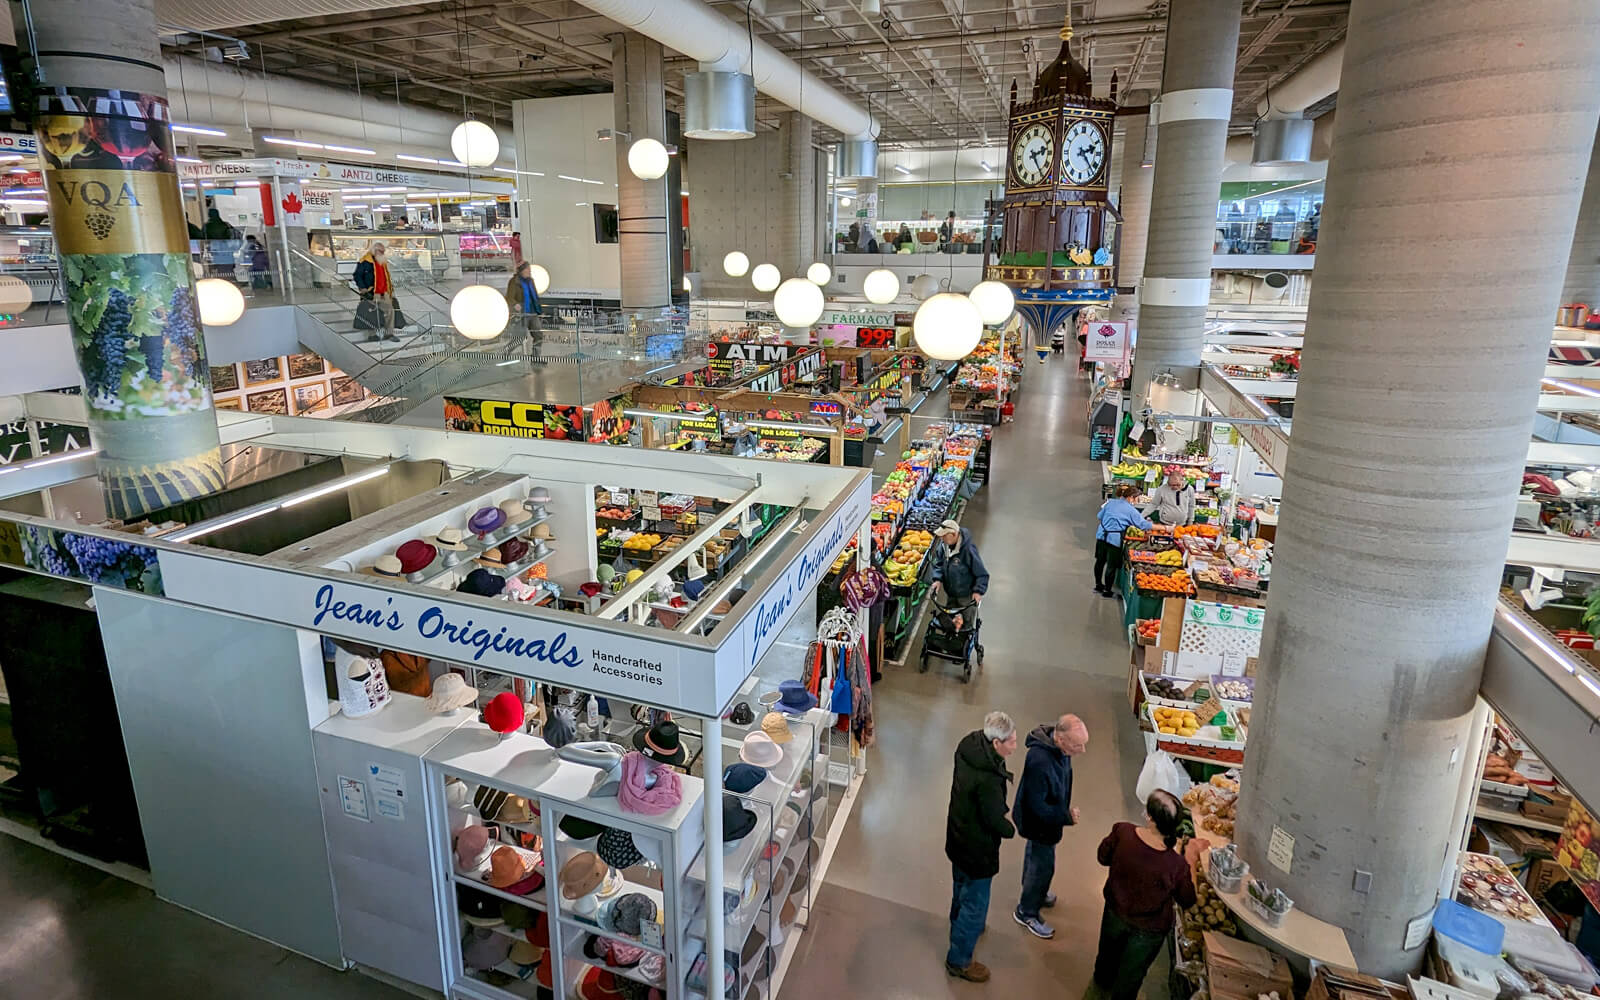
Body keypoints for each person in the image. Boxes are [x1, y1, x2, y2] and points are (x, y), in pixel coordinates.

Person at [1091, 791, 1203, 1000]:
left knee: (1106, 958)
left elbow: (1102, 857)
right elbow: (1188, 899)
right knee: (1130, 976)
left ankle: (1098, 988)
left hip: (1115, 912)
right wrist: (1191, 859)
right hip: (1149, 930)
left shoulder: (1122, 832)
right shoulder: (1175, 864)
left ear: (1150, 818)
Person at [944, 710, 1017, 983]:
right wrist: (1009, 829)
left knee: (959, 887)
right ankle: (959, 960)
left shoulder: (968, 747)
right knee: (975, 902)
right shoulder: (988, 778)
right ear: (996, 744)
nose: (1015, 745)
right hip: (978, 848)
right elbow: (994, 819)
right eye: (1011, 741)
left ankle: (957, 924)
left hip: (958, 835)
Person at [1012, 714, 1088, 939]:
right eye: (1077, 745)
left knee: (1034, 858)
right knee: (1042, 868)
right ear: (1061, 739)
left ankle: (1034, 892)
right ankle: (1027, 911)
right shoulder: (1040, 761)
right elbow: (1037, 806)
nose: (1081, 750)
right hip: (1039, 824)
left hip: (1045, 823)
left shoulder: (1059, 750)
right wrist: (1066, 816)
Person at [1095, 484, 1152, 597]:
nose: (1136, 502)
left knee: (1099, 561)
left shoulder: (1111, 502)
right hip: (1114, 539)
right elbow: (1143, 525)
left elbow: (1099, 516)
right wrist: (1164, 528)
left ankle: (1098, 585)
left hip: (1101, 535)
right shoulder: (1130, 510)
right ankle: (1107, 590)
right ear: (1131, 497)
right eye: (1137, 499)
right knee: (1111, 565)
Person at [929, 518, 989, 627]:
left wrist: (978, 591)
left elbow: (982, 574)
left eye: (944, 536)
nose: (942, 539)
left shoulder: (968, 550)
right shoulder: (943, 547)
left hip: (966, 597)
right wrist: (937, 579)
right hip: (951, 594)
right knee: (949, 623)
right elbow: (939, 564)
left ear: (953, 534)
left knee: (965, 624)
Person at [353, 242, 398, 342]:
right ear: (375, 250)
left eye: (383, 251)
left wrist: (391, 290)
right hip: (372, 292)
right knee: (371, 313)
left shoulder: (383, 262)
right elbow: (357, 275)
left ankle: (389, 333)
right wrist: (362, 288)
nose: (383, 253)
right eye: (381, 251)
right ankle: (372, 334)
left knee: (390, 311)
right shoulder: (365, 261)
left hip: (384, 292)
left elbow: (386, 278)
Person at [504, 261, 545, 364]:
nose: (529, 272)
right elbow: (509, 298)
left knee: (538, 335)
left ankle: (536, 358)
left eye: (529, 270)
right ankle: (506, 352)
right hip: (522, 314)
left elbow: (534, 296)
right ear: (521, 271)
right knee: (520, 337)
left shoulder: (531, 281)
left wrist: (539, 310)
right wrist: (515, 304)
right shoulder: (514, 282)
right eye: (527, 270)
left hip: (533, 313)